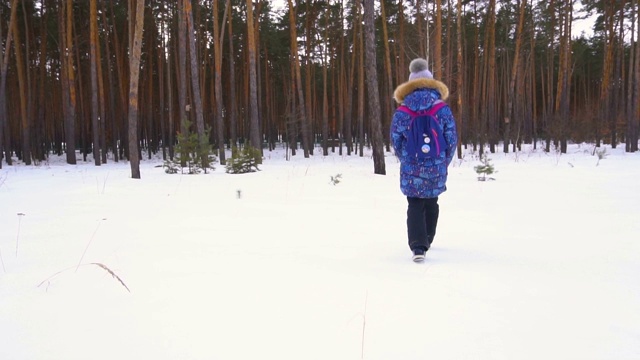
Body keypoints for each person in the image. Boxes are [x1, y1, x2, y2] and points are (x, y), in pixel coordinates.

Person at [390, 58, 458, 262]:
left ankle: (418, 247)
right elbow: (451, 137)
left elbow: (396, 139)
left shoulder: (403, 110)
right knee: (432, 201)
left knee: (414, 202)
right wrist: (443, 160)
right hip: (436, 163)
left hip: (412, 164)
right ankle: (428, 237)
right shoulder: (441, 108)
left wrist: (407, 158)